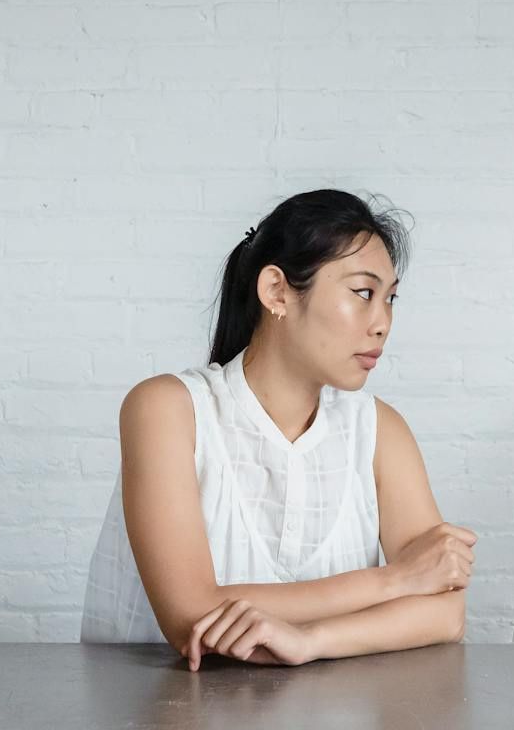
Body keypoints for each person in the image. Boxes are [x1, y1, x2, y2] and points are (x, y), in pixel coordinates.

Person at [81, 189, 477, 669]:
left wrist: (308, 642)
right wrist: (396, 581)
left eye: (391, 299)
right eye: (363, 293)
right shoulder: (167, 409)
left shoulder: (380, 432)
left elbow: (445, 614)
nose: (383, 323)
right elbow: (190, 614)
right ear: (276, 292)